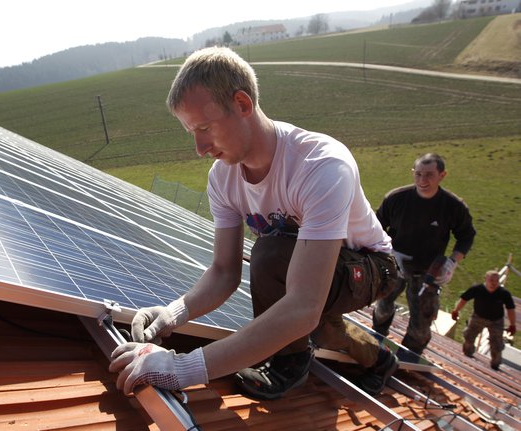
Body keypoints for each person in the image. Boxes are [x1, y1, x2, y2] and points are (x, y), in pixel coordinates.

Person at [109, 46, 399, 400]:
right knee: (323, 328)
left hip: (371, 265)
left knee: (271, 258)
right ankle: (382, 359)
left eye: (204, 127)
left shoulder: (321, 165)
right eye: (191, 132)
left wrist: (180, 368)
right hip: (315, 264)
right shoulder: (223, 178)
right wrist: (171, 315)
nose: (199, 148)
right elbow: (223, 272)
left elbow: (303, 306)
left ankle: (288, 363)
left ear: (243, 105)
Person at [371, 153, 476, 355]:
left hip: (428, 271)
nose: (422, 180)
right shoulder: (395, 199)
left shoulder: (453, 206)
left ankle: (408, 359)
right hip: (394, 263)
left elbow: (466, 236)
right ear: (413, 173)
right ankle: (377, 342)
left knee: (421, 323)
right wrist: (388, 251)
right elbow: (375, 227)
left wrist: (452, 262)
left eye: (429, 175)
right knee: (382, 305)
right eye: (418, 174)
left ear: (442, 175)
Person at [451, 270, 516, 370]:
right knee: (469, 336)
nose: (493, 283)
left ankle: (495, 365)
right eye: (491, 280)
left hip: (496, 321)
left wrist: (512, 324)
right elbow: (464, 299)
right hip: (478, 317)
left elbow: (510, 309)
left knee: (497, 345)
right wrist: (456, 310)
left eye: (496, 281)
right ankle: (467, 355)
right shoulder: (477, 289)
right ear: (485, 279)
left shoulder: (504, 293)